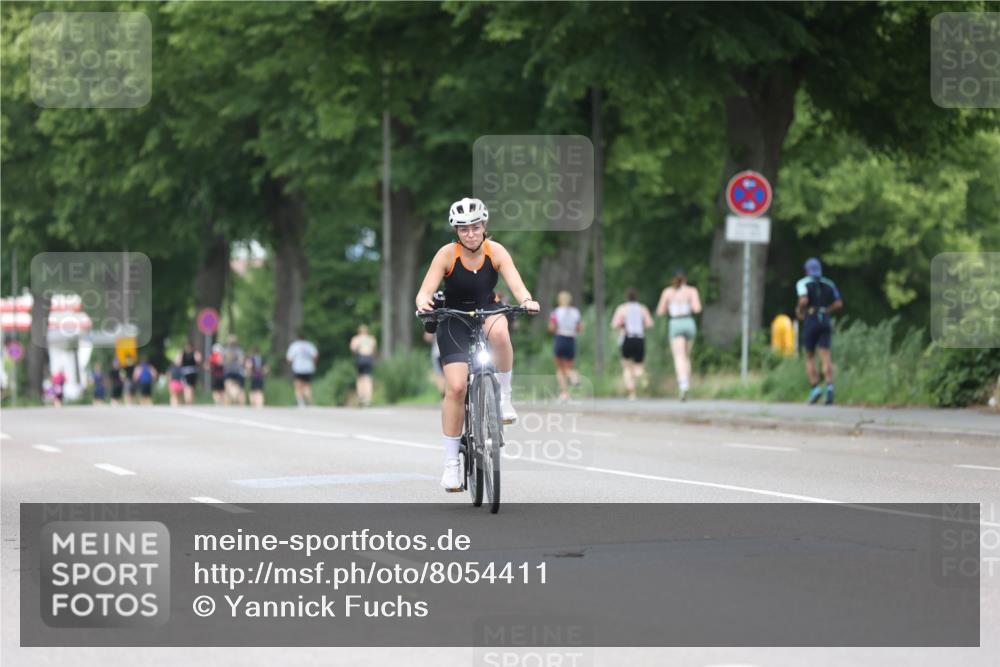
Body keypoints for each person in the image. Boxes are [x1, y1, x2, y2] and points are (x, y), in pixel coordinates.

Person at [415, 197, 540, 492]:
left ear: (484, 226)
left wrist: (526, 300)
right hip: (453, 316)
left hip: (487, 309)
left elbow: (517, 284)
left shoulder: (495, 251)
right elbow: (424, 292)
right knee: (456, 387)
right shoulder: (447, 255)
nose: (470, 233)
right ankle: (451, 465)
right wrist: (424, 305)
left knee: (500, 334)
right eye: (463, 229)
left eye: (475, 227)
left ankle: (504, 396)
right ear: (456, 231)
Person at [796, 257, 843, 405]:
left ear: (806, 271)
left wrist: (800, 311)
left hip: (811, 319)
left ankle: (815, 388)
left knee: (810, 356)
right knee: (826, 355)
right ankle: (829, 386)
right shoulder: (829, 283)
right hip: (825, 320)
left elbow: (803, 300)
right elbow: (838, 303)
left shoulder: (803, 282)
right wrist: (827, 310)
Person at [655, 269, 703, 401]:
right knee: (687, 357)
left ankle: (683, 384)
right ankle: (687, 383)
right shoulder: (691, 291)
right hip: (688, 322)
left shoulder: (668, 292)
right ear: (685, 279)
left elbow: (660, 311)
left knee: (679, 357)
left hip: (675, 323)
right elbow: (697, 308)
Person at [611, 288, 654, 400]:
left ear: (626, 297)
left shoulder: (622, 309)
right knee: (639, 366)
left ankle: (632, 393)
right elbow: (650, 324)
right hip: (639, 338)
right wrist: (641, 326)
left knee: (627, 367)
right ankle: (643, 378)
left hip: (627, 338)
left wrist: (622, 326)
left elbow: (614, 324)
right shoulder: (642, 308)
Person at [548, 290, 582, 401]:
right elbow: (579, 328)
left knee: (559, 369)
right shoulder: (575, 312)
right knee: (568, 367)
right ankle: (573, 377)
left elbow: (552, 328)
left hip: (560, 339)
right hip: (571, 340)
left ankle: (564, 393)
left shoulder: (556, 312)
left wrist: (554, 329)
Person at [286, 331, 318, 407]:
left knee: (298, 386)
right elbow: (315, 356)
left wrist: (292, 364)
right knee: (307, 386)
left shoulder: (294, 346)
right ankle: (310, 402)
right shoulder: (309, 345)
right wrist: (313, 364)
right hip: (308, 368)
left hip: (298, 368)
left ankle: (301, 402)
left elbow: (289, 359)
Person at [349, 324, 377, 407]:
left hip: (360, 357)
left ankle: (361, 397)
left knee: (360, 378)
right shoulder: (371, 338)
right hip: (369, 358)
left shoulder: (356, 338)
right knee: (368, 378)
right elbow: (374, 349)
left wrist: (355, 355)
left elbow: (353, 348)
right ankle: (368, 398)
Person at [221, 334, 246, 406]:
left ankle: (231, 400)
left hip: (228, 371)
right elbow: (241, 361)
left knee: (228, 387)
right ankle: (235, 398)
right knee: (237, 387)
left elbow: (221, 360)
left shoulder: (225, 350)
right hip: (237, 371)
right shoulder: (239, 350)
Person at [424, 331, 446, 396]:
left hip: (443, 353)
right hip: (438, 354)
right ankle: (444, 396)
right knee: (441, 377)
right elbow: (427, 337)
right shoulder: (435, 321)